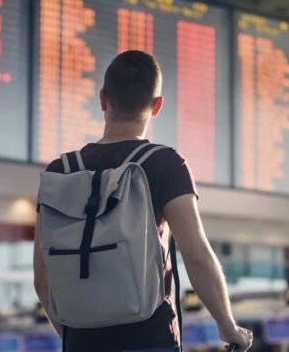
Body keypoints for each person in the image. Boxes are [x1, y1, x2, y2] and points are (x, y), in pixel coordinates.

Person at [33, 50, 253, 352]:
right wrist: (228, 328)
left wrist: (73, 335)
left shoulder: (60, 172)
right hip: (150, 337)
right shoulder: (164, 164)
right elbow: (196, 254)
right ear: (157, 105)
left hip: (82, 342)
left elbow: (42, 277)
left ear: (102, 99)